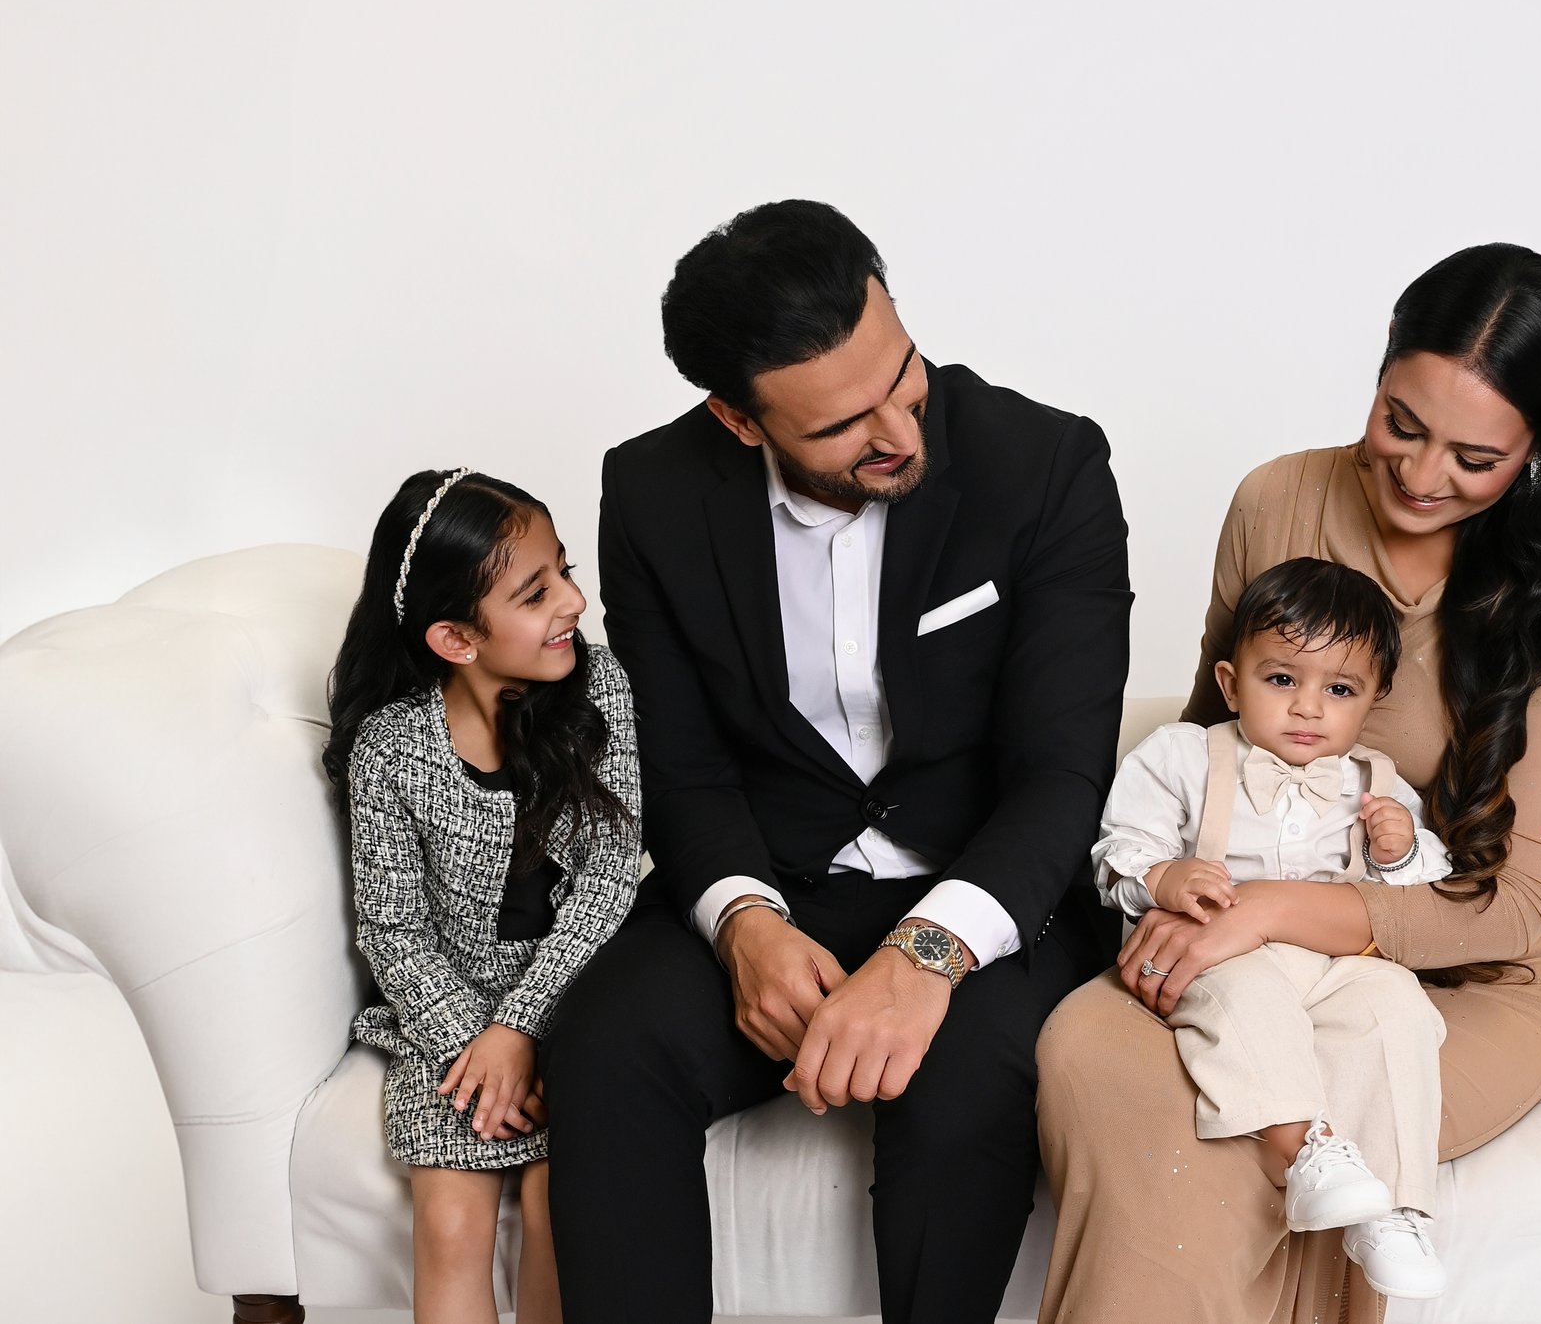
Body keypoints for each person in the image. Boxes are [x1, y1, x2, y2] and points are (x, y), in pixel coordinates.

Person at [543, 199, 1131, 1324]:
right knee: (609, 1046)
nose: (899, 432)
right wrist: (743, 925)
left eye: (902, 377)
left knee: (962, 1088)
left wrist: (926, 955)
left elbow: (1061, 773)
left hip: (984, 889)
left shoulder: (1047, 463)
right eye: (843, 426)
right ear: (736, 418)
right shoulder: (652, 492)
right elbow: (682, 766)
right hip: (776, 880)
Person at [1037, 243, 1541, 1324]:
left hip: (1456, 974)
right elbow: (1213, 743)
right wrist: (1179, 891)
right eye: (1400, 423)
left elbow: (1514, 904)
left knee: (1264, 1139)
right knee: (1089, 1053)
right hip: (1237, 942)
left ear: (1539, 454)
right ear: (1380, 370)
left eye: (1473, 457)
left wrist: (1270, 910)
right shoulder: (1278, 497)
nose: (1419, 474)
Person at [322, 469, 643, 1324]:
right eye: (536, 594)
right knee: (450, 1226)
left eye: (564, 570)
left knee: (557, 1211)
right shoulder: (391, 749)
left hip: (577, 999)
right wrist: (477, 1047)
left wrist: (523, 1028)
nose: (573, 601)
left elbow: (610, 878)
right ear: (457, 638)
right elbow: (392, 930)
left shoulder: (600, 688)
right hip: (450, 1026)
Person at [1093, 556, 1452, 1299]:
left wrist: (1398, 852)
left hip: (1334, 960)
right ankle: (1307, 1147)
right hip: (1222, 950)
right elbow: (1118, 851)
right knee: (1246, 993)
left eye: (1340, 690)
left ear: (1373, 699)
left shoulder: (1379, 785)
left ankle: (1395, 1212)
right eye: (1282, 679)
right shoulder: (1183, 756)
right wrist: (1164, 876)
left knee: (1396, 1005)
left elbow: (1422, 905)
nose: (1308, 708)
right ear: (1231, 685)